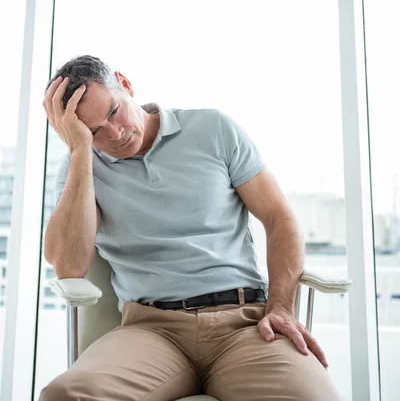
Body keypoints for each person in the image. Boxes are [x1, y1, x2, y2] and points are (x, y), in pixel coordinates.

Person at [40, 55, 340, 401]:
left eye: (113, 112)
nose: (116, 134)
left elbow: (280, 219)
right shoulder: (81, 167)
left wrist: (281, 307)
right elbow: (69, 266)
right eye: (94, 132)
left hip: (244, 324)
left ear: (124, 83)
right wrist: (80, 151)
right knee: (64, 395)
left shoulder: (213, 129)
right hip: (150, 332)